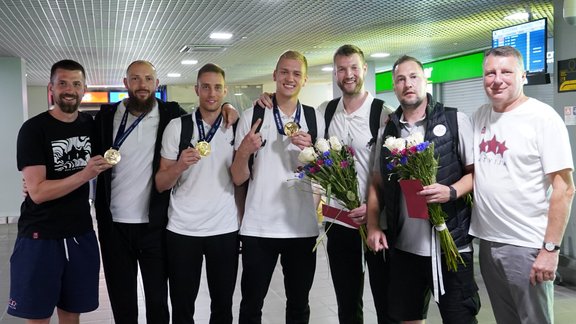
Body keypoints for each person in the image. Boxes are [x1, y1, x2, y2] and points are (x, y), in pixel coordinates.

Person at [93, 60, 239, 323]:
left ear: (156, 84)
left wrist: (227, 107)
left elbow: (208, 110)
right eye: (135, 79)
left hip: (155, 224)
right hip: (114, 225)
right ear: (126, 83)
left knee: (158, 301)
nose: (142, 85)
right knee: (122, 300)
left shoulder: (170, 114)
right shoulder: (105, 116)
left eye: (148, 79)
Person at [366, 55, 480, 324]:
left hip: (451, 245)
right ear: (394, 86)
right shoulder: (388, 131)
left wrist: (450, 191)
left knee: (460, 318)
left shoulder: (454, 120)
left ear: (425, 80)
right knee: (408, 318)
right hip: (405, 249)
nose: (408, 84)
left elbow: (476, 174)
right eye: (401, 79)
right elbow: (377, 183)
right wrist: (372, 226)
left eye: (413, 77)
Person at [470, 46, 574, 324]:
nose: (497, 79)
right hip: (489, 243)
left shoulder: (543, 118)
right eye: (490, 72)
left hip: (527, 245)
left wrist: (550, 251)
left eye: (506, 71)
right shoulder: (480, 115)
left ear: (523, 76)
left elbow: (565, 188)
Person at [9, 59, 112, 323]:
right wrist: (84, 174)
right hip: (40, 236)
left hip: (79, 233)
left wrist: (227, 107)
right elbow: (39, 193)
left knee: (71, 314)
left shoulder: (91, 126)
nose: (70, 89)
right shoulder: (34, 129)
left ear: (84, 88)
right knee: (38, 315)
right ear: (51, 88)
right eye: (63, 83)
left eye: (76, 84)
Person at [231, 50, 325, 324]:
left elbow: (324, 170)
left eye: (296, 73)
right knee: (251, 305)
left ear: (305, 80)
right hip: (259, 227)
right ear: (274, 75)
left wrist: (312, 155)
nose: (289, 78)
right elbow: (237, 177)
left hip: (302, 227)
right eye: (284, 71)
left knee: (299, 305)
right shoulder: (253, 115)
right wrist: (244, 151)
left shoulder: (314, 118)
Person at [155, 63, 239, 323]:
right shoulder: (177, 127)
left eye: (217, 87)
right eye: (205, 87)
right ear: (197, 90)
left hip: (224, 228)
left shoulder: (235, 125)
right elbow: (160, 183)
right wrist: (180, 165)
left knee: (223, 307)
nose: (211, 93)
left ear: (225, 90)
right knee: (182, 307)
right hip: (183, 230)